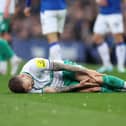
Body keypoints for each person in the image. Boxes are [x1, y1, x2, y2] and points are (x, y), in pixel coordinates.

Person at [8, 57, 126, 93]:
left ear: (23, 76)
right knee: (94, 88)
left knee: (95, 78)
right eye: (27, 89)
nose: (30, 88)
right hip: (63, 85)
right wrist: (78, 87)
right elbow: (52, 90)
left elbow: (60, 66)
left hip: (64, 71)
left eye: (28, 85)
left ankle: (124, 85)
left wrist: (86, 70)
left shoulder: (33, 65)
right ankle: (120, 91)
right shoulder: (27, 90)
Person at [92, 0, 126, 73]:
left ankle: (120, 66)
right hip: (102, 14)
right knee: (96, 38)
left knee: (118, 38)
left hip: (115, 14)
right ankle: (107, 64)